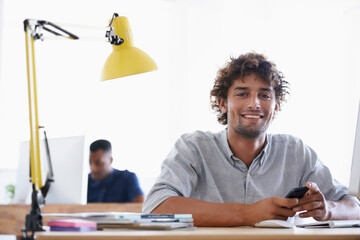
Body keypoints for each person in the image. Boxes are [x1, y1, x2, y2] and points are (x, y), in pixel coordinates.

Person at [143, 52, 360, 226]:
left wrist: (327, 210)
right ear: (222, 103)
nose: (254, 104)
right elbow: (155, 207)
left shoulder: (295, 151)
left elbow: (354, 207)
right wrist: (248, 213)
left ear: (276, 107)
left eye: (264, 95)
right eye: (242, 93)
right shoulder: (194, 147)